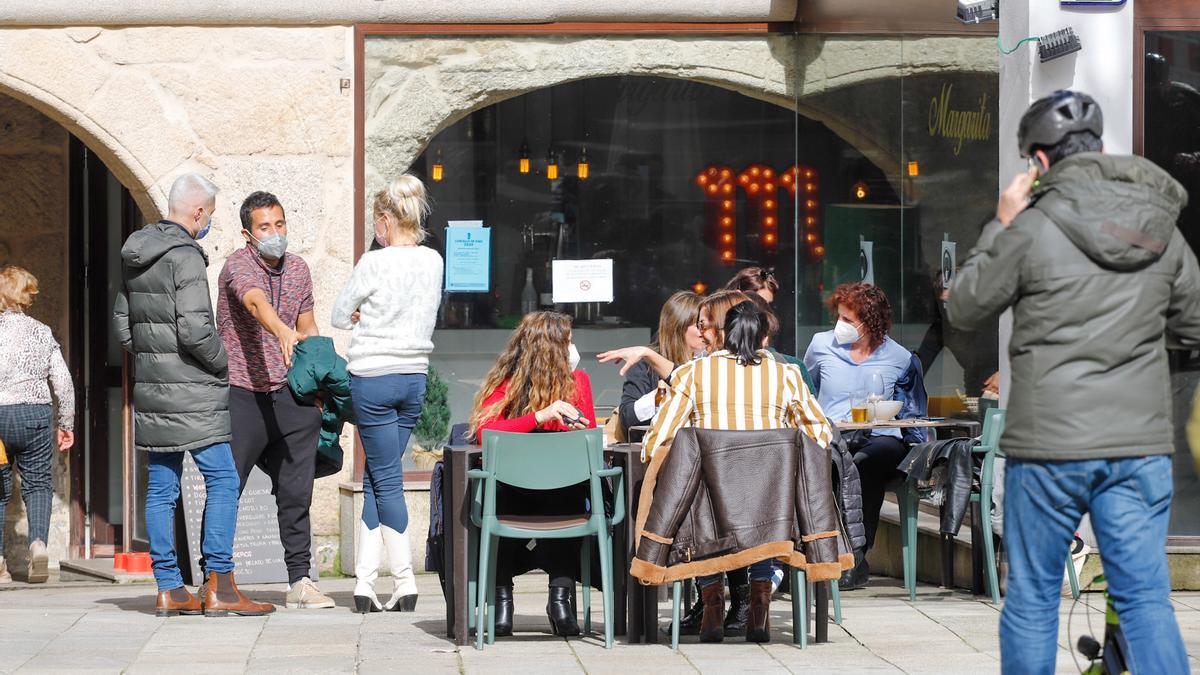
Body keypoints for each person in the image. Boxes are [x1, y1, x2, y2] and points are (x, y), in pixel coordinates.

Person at [946, 90, 1200, 675]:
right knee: (1143, 600)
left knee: (1034, 597)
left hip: (1049, 447)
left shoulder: (1029, 228)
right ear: (1100, 150)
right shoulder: (1159, 227)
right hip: (1138, 447)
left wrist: (1000, 223)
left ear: (1038, 164)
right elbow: (1192, 326)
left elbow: (964, 306)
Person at [113, 173, 273, 617]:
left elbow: (124, 324)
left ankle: (169, 588)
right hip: (195, 388)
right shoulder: (185, 256)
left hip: (153, 389)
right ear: (198, 212)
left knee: (161, 485)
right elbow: (196, 329)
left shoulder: (136, 252)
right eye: (210, 216)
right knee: (222, 477)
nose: (208, 224)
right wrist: (222, 362)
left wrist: (154, 361)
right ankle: (220, 584)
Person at [641, 300, 833, 643]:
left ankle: (712, 604)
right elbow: (820, 433)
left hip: (710, 509)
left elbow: (662, 436)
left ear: (723, 335)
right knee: (768, 503)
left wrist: (651, 456)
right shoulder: (785, 375)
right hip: (771, 507)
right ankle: (759, 604)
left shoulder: (693, 374)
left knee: (695, 488)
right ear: (763, 339)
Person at [332, 174, 443, 614]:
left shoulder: (372, 262)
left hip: (373, 378)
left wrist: (363, 313)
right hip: (414, 376)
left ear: (384, 219)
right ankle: (363, 583)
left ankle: (403, 581)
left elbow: (341, 314)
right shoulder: (433, 261)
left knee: (385, 480)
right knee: (383, 479)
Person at [215, 191, 330, 609]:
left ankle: (300, 580)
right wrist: (279, 330)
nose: (275, 234)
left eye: (280, 225)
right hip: (242, 391)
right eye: (265, 227)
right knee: (228, 487)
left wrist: (318, 379)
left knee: (296, 491)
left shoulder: (298, 268)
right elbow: (253, 299)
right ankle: (217, 579)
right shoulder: (238, 264)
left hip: (291, 393)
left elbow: (309, 325)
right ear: (249, 233)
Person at [468, 310, 595, 638]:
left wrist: (580, 427)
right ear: (551, 349)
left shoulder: (579, 382)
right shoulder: (506, 385)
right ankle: (502, 601)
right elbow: (485, 433)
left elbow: (590, 439)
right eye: (568, 341)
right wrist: (540, 416)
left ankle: (560, 600)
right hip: (515, 494)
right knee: (503, 495)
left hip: (561, 493)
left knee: (571, 494)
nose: (573, 348)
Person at [804, 282, 927, 590]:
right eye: (839, 317)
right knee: (834, 461)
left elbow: (912, 411)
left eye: (848, 320)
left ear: (869, 322)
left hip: (880, 439)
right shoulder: (821, 345)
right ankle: (817, 556)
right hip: (832, 436)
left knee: (863, 463)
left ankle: (856, 557)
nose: (839, 325)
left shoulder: (899, 358)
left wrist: (921, 458)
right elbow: (806, 391)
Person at [0, 266, 74, 585]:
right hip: (35, 416)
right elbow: (64, 383)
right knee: (39, 484)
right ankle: (38, 545)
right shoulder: (42, 332)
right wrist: (66, 423)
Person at [614, 291, 704, 439]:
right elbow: (627, 416)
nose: (705, 331)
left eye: (707, 325)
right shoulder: (646, 364)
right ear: (679, 326)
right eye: (699, 325)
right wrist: (662, 393)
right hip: (659, 451)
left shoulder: (709, 362)